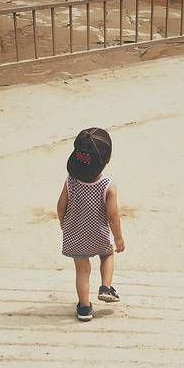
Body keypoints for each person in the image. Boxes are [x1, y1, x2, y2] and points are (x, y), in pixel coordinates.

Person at [56, 127, 125, 321]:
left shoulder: (70, 181)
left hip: (75, 237)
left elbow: (60, 206)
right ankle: (106, 287)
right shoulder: (107, 186)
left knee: (82, 271)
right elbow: (113, 216)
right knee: (107, 254)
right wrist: (118, 238)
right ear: (106, 159)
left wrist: (63, 223)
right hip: (98, 236)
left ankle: (85, 308)